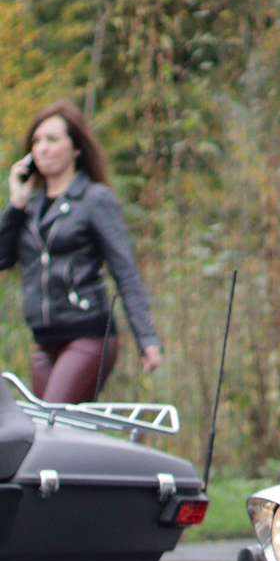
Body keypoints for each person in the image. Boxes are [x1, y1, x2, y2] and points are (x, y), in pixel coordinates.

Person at [0, 102, 160, 402]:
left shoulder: (94, 200)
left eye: (52, 139)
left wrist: (147, 338)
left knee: (56, 423)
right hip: (44, 342)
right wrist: (16, 202)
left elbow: (124, 270)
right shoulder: (29, 208)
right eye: (36, 141)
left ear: (76, 148)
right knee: (49, 435)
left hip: (88, 336)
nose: (42, 148)